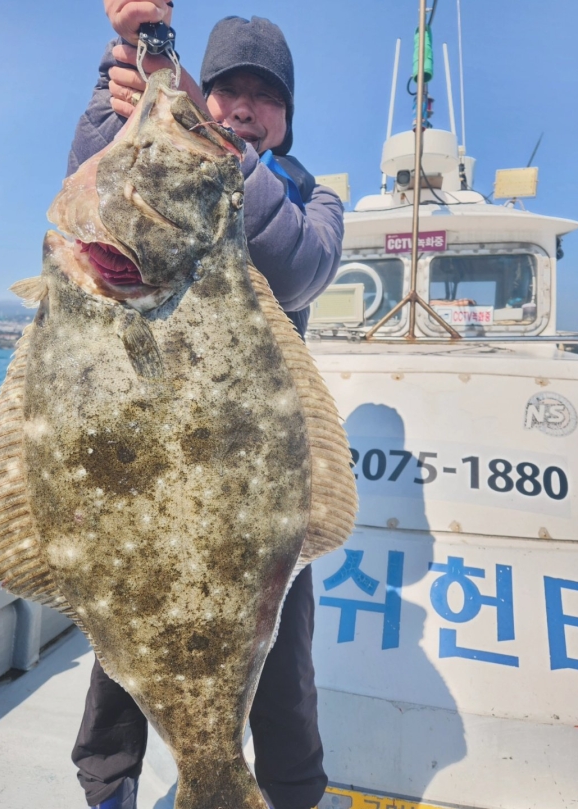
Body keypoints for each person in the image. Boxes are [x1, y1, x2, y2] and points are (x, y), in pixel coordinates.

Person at [67, 5, 345, 808]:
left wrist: (202, 133)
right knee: (120, 635)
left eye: (265, 96)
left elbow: (297, 269)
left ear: (286, 118)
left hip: (257, 480)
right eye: (227, 92)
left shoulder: (310, 199)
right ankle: (108, 790)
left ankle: (287, 793)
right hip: (136, 453)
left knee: (281, 665)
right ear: (204, 94)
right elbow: (94, 178)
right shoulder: (154, 150)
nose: (244, 108)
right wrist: (125, 55)